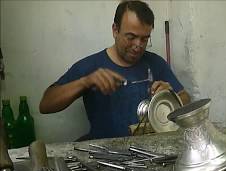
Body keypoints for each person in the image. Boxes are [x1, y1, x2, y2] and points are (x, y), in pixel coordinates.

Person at [39, 0, 190, 140]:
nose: (138, 45)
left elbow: (185, 97)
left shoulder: (155, 63)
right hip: (104, 155)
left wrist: (170, 97)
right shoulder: (91, 65)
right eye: (131, 37)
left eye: (144, 39)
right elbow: (46, 104)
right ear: (115, 30)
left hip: (148, 150)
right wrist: (85, 82)